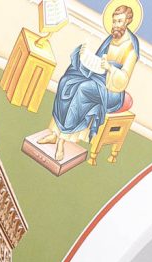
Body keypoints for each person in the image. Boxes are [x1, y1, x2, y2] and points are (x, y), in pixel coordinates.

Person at [37, 4, 140, 163]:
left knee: (82, 89)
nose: (115, 25)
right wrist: (84, 56)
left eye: (119, 21)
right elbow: (98, 60)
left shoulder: (131, 47)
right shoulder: (111, 39)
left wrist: (110, 68)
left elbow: (124, 79)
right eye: (114, 21)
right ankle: (54, 133)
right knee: (68, 80)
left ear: (128, 21)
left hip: (111, 90)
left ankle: (62, 141)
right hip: (98, 78)